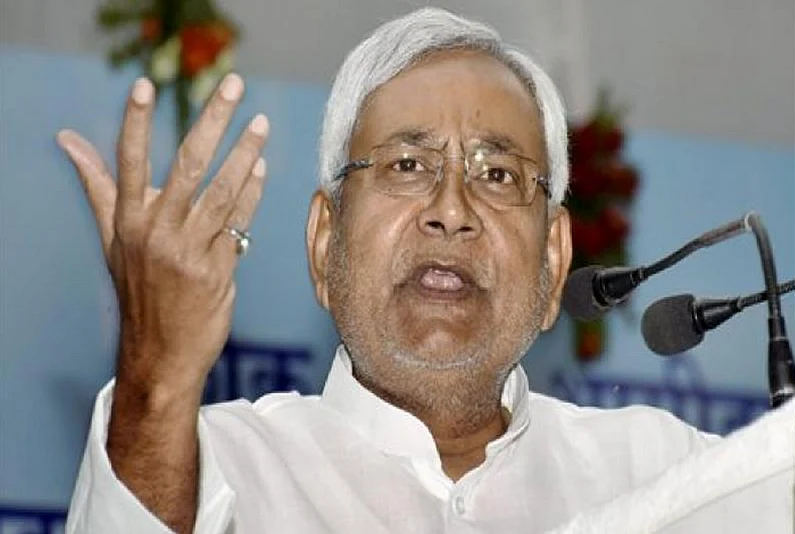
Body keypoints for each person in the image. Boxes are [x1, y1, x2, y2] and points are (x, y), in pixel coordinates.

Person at [59, 8, 719, 534]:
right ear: (325, 243)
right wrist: (157, 380)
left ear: (552, 258)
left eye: (496, 174)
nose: (451, 211)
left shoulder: (663, 475)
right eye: (406, 165)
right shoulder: (216, 468)